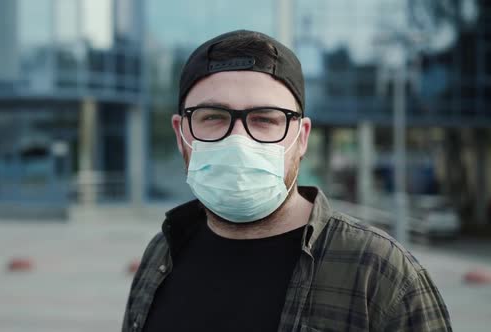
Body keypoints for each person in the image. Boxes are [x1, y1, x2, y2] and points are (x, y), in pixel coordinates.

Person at [122, 30, 451, 332]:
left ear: (302, 138)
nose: (239, 140)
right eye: (213, 117)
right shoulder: (162, 254)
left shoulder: (381, 274)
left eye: (264, 119)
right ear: (181, 134)